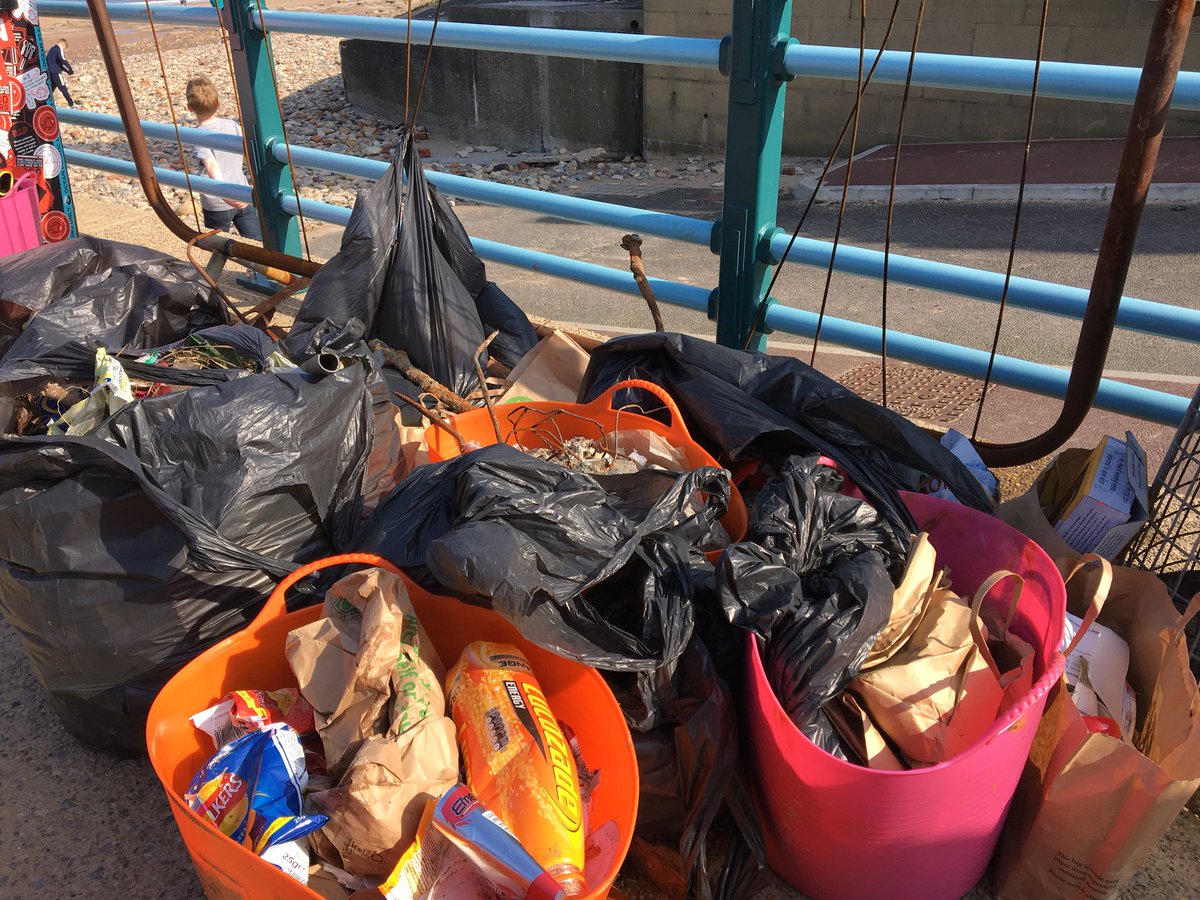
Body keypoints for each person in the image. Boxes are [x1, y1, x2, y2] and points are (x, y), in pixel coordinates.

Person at [184, 76, 262, 241]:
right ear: (218, 103)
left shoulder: (197, 134)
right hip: (242, 193)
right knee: (256, 242)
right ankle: (257, 268)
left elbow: (211, 165)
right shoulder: (232, 125)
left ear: (190, 108)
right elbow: (247, 152)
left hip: (217, 200)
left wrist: (225, 195)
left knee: (217, 246)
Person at [46, 39, 74, 108]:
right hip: (56, 72)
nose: (63, 50)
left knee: (51, 88)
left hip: (49, 71)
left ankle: (46, 103)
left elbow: (59, 64)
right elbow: (63, 60)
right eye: (64, 48)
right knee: (62, 87)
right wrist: (70, 69)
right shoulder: (59, 48)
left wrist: (67, 71)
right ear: (63, 44)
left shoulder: (51, 50)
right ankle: (71, 103)